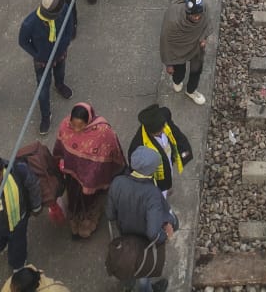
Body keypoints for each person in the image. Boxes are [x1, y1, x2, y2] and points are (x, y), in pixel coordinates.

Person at [105, 145, 179, 292]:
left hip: (125, 235)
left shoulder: (117, 182)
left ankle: (128, 283)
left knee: (130, 263)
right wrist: (165, 235)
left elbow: (110, 214)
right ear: (151, 170)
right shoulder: (152, 194)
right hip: (143, 242)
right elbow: (153, 233)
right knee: (143, 272)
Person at [52, 103, 125, 239]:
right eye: (74, 125)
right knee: (74, 198)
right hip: (72, 175)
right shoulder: (65, 126)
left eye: (81, 126)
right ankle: (75, 219)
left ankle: (88, 221)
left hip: (92, 177)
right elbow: (60, 147)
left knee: (90, 200)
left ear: (89, 121)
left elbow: (112, 149)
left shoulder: (103, 131)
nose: (76, 129)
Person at [18, 0, 75, 135]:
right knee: (42, 90)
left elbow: (69, 24)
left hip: (60, 53)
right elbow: (23, 42)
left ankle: (60, 85)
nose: (63, 10)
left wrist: (65, 42)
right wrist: (38, 55)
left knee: (60, 72)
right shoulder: (29, 23)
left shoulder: (64, 8)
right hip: (42, 62)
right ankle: (45, 115)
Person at [159, 0, 210, 104]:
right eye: (194, 15)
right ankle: (177, 81)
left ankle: (191, 91)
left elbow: (207, 24)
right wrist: (169, 64)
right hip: (178, 50)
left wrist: (203, 37)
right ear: (187, 12)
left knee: (196, 70)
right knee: (179, 71)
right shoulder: (172, 19)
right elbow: (165, 42)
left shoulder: (204, 8)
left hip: (196, 47)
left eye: (199, 15)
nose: (197, 18)